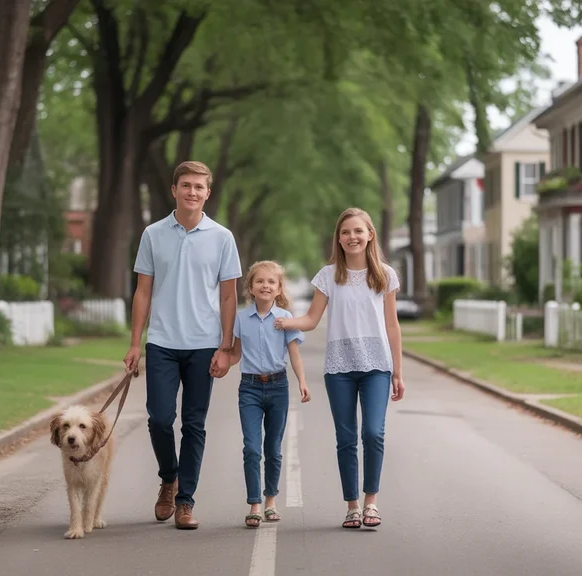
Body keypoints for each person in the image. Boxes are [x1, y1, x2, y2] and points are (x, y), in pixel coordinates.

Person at [124, 160, 242, 530]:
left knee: (194, 424)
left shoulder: (222, 237)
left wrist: (226, 346)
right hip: (161, 341)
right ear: (174, 190)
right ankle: (168, 479)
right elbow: (143, 292)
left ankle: (185, 501)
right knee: (159, 419)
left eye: (199, 187)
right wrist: (134, 343)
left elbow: (229, 297)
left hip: (204, 344)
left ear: (208, 193)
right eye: (186, 185)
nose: (193, 192)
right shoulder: (153, 234)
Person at [274, 207, 405, 530]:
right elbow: (311, 319)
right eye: (346, 232)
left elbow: (392, 325)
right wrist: (282, 320)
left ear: (370, 234)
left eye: (358, 231)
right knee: (346, 438)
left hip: (377, 365)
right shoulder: (328, 276)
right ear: (339, 238)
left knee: (373, 432)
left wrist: (398, 372)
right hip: (340, 368)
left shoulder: (385, 275)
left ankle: (371, 502)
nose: (352, 237)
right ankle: (352, 506)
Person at [226, 260, 310, 528]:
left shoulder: (285, 319)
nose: (265, 285)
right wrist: (219, 363)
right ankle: (255, 504)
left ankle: (271, 500)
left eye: (271, 282)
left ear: (278, 288)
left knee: (272, 448)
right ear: (250, 287)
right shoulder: (240, 318)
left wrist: (303, 382)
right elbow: (236, 354)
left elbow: (294, 355)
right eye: (259, 281)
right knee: (252, 448)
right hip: (249, 387)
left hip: (278, 387)